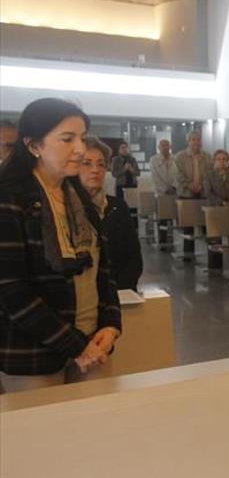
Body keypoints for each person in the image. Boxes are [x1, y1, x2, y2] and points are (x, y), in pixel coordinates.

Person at [0, 98, 121, 393]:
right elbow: (10, 290)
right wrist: (76, 346)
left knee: (96, 432)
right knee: (45, 437)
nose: (80, 148)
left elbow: (102, 269)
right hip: (35, 355)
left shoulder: (78, 196)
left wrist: (111, 323)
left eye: (81, 137)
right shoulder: (10, 198)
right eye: (67, 139)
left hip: (92, 341)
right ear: (33, 145)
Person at [79, 135, 143, 291]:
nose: (95, 170)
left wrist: (116, 293)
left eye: (101, 164)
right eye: (87, 163)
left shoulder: (117, 206)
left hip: (116, 293)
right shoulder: (63, 207)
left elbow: (134, 258)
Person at [174, 131, 211, 198]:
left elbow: (210, 174)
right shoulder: (179, 157)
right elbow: (178, 174)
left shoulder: (207, 157)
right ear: (188, 142)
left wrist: (202, 185)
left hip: (203, 193)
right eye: (193, 139)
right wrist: (189, 185)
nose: (196, 142)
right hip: (185, 193)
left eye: (198, 139)